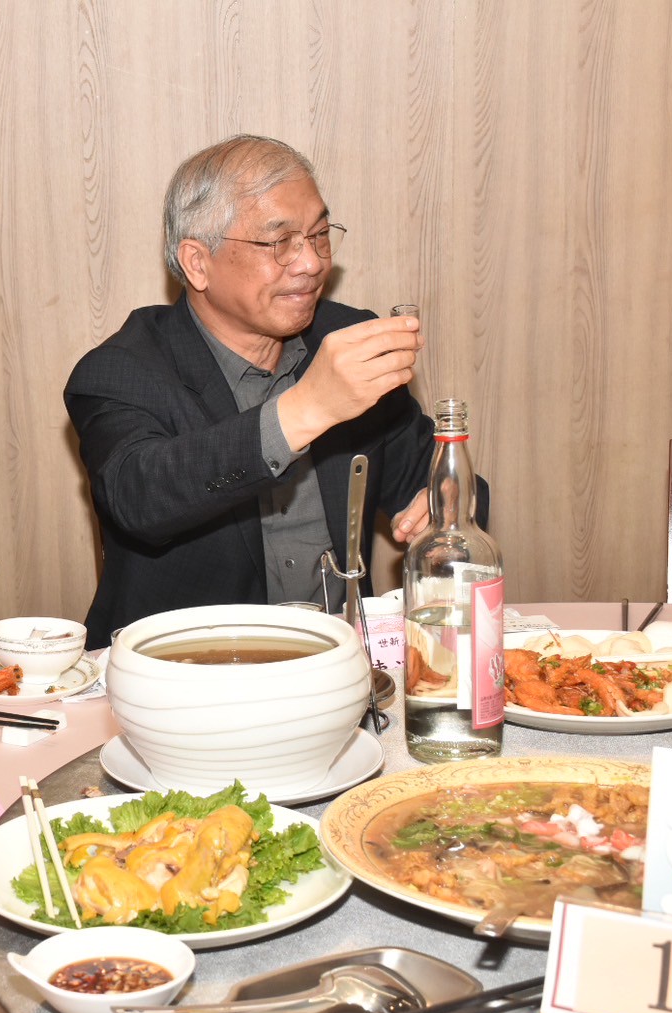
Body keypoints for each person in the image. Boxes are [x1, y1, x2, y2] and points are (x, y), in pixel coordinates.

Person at [65, 134, 454, 647]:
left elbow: (437, 476)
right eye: (279, 242)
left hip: (341, 664)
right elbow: (140, 498)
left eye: (319, 235)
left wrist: (444, 505)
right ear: (197, 262)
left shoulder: (345, 339)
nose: (311, 262)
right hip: (187, 670)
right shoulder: (121, 370)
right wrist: (307, 408)